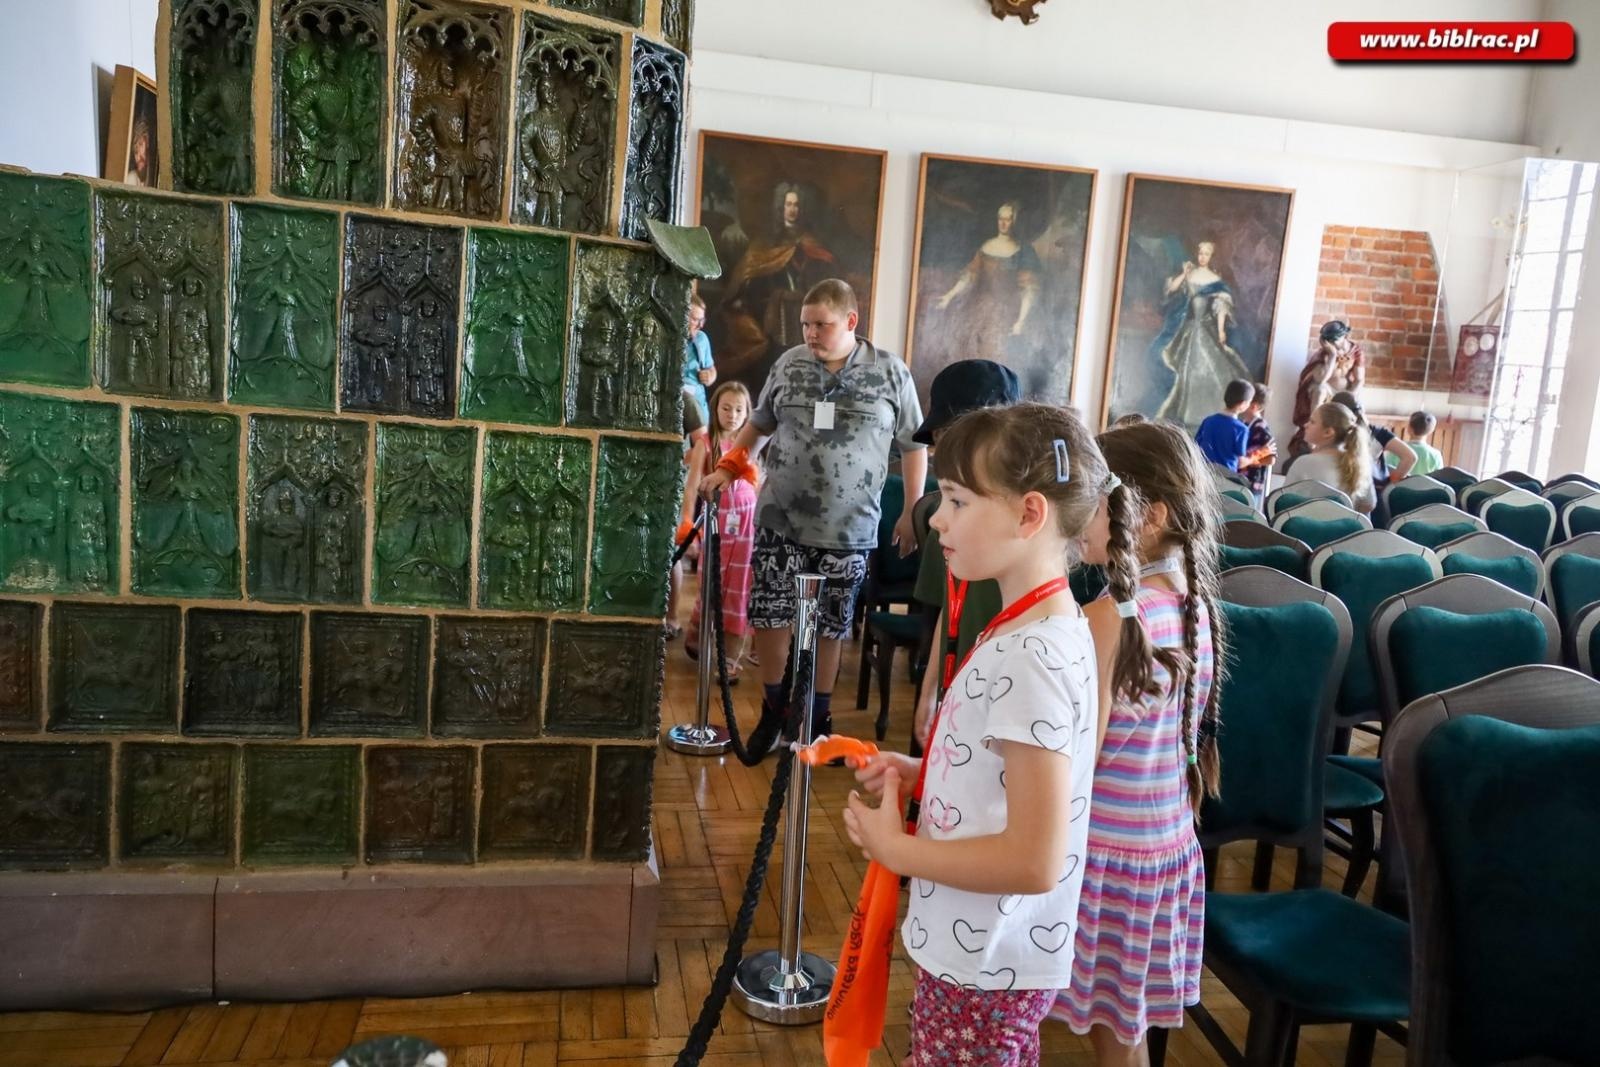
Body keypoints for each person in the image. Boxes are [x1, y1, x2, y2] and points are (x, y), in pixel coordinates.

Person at [844, 403, 1107, 1065]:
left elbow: (1033, 858)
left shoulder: (1033, 656)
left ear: (1029, 514)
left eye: (958, 500)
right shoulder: (1031, 622)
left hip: (986, 961)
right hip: (980, 950)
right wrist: (919, 769)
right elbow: (1001, 770)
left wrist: (897, 851)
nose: (935, 517)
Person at [1053, 419, 1223, 1064]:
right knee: (1123, 1036)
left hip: (1110, 858)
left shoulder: (1108, 619)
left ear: (1148, 514)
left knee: (1115, 1046)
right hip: (1163, 847)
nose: (1078, 518)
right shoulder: (1193, 605)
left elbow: (1076, 761)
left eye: (1094, 498)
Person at [698, 279, 925, 742]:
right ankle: (774, 711)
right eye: (806, 324)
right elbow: (758, 426)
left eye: (822, 324)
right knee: (771, 616)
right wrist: (727, 469)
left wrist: (912, 509)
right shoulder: (789, 364)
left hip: (850, 529)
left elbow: (913, 444)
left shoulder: (890, 373)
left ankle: (817, 718)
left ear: (850, 322)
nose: (811, 333)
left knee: (831, 625)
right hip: (781, 520)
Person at [908, 359, 1023, 750]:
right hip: (956, 699)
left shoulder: (1021, 533)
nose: (938, 448)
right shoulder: (949, 517)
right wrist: (928, 692)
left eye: (946, 434)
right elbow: (947, 607)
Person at [718, 183, 838, 378]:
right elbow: (749, 279)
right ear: (780, 207)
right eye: (788, 204)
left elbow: (824, 277)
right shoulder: (766, 243)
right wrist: (770, 298)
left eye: (796, 205)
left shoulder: (811, 243)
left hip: (802, 319)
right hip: (772, 318)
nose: (792, 209)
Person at [683, 382, 759, 679]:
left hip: (748, 525)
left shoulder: (752, 442)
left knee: (740, 589)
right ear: (715, 409)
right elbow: (691, 489)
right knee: (711, 585)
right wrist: (688, 528)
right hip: (717, 522)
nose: (732, 414)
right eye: (726, 408)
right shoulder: (706, 441)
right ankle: (697, 632)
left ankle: (730, 658)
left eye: (739, 409)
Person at [1153, 240, 1252, 429]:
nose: (1202, 257)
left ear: (1211, 256)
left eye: (1206, 254)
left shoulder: (1215, 280)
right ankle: (1186, 414)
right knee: (1188, 371)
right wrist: (1184, 273)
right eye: (1200, 253)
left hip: (1206, 329)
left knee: (1211, 368)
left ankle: (1205, 415)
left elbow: (1220, 306)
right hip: (1189, 327)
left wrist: (1221, 330)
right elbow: (1172, 289)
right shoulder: (1190, 275)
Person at [932, 200, 1042, 365]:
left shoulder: (1023, 251)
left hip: (1009, 309)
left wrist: (1021, 320)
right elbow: (970, 276)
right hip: (982, 306)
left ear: (1015, 221)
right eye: (1000, 218)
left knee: (1000, 356)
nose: (1003, 223)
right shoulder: (986, 247)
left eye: (1008, 219)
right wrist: (949, 296)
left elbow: (1028, 290)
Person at [1331, 389, 1414, 525]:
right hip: (1372, 495)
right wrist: (1390, 482)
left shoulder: (1332, 435)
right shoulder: (1377, 433)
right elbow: (1409, 457)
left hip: (1342, 493)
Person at [1289, 321, 1366, 457]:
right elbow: (1321, 379)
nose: (1332, 343)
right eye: (1329, 341)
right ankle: (1314, 423)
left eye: (1335, 340)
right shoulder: (1324, 353)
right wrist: (1332, 356)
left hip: (1344, 391)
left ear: (1344, 336)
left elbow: (1359, 379)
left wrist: (1350, 396)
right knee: (1319, 390)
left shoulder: (1355, 352)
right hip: (1327, 388)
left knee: (1353, 403)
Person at [1284, 401, 1376, 512]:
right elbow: (1369, 504)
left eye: (1312, 422)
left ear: (1328, 432)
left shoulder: (1303, 463)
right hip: (1347, 527)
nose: (1305, 425)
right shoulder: (1359, 463)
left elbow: (1283, 502)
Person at [1193, 379, 1254, 472]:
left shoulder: (1208, 421)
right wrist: (1252, 459)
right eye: (1249, 402)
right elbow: (1240, 463)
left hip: (1204, 473)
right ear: (1243, 404)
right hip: (1226, 478)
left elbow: (1196, 446)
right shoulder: (1241, 429)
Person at [682, 294, 716, 426]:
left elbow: (711, 368)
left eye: (702, 320)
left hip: (697, 401)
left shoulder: (702, 339)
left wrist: (710, 376)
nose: (700, 326)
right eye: (695, 320)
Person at [1241, 382, 1276, 498]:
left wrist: (1250, 461)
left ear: (1253, 406)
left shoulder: (1261, 428)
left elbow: (1271, 459)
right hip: (1240, 480)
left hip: (1251, 484)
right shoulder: (1244, 424)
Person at [1394, 410, 1443, 476]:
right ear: (1431, 431)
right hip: (1426, 486)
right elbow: (1439, 478)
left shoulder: (1397, 450)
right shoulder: (1436, 455)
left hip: (1399, 486)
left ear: (1409, 428)